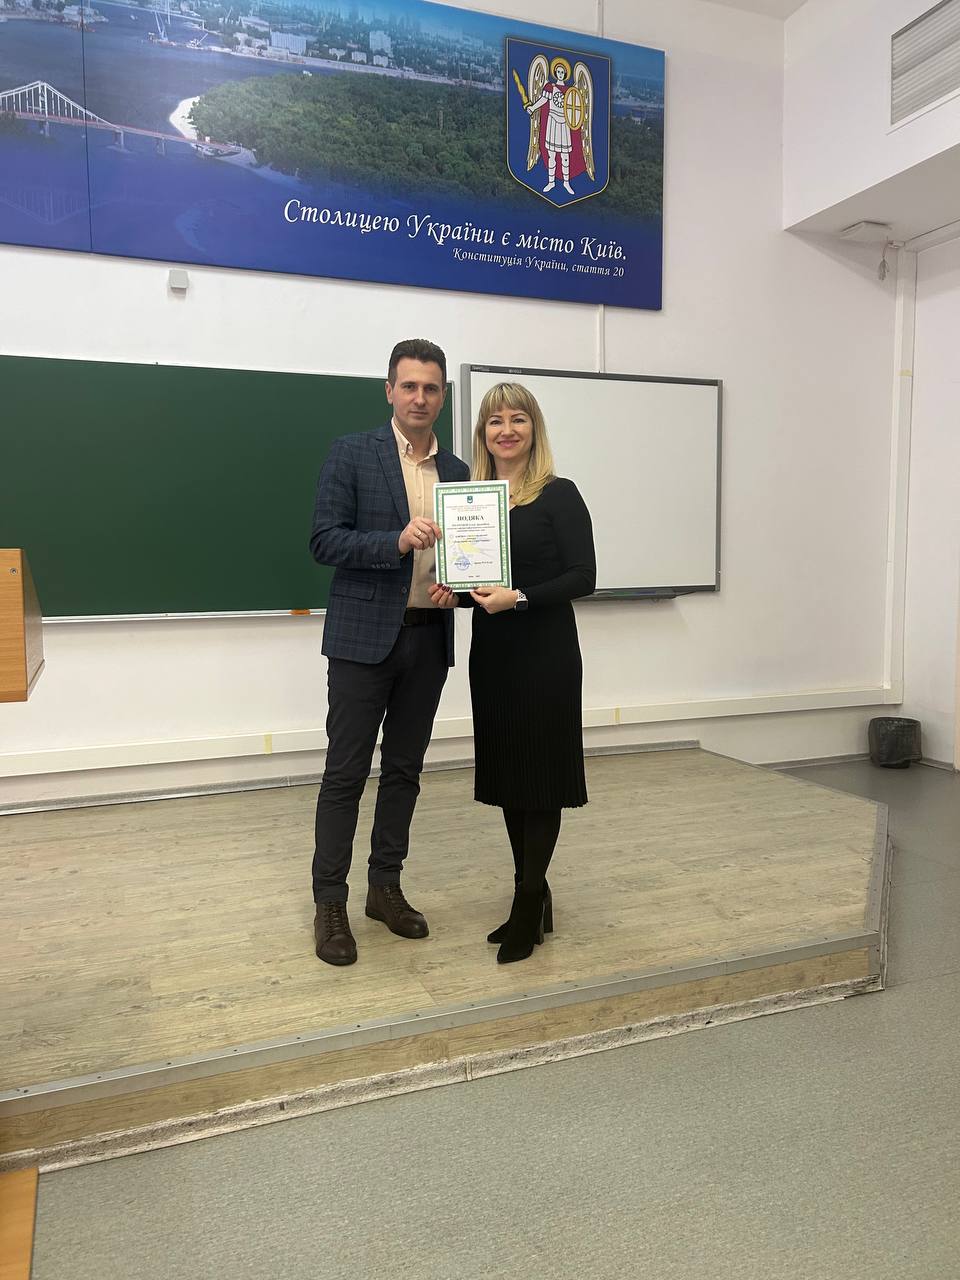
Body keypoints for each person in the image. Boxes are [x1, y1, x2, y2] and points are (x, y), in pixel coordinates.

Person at [309, 339, 469, 966]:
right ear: (389, 391)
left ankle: (385, 888)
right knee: (345, 774)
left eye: (430, 388)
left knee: (404, 772)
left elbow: (466, 557)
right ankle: (330, 903)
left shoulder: (458, 472)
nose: (419, 398)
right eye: (409, 386)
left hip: (428, 638)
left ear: (443, 396)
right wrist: (395, 542)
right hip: (361, 642)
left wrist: (460, 587)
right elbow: (324, 540)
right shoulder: (352, 453)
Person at [430, 383, 596, 963]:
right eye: (495, 421)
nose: (506, 430)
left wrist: (519, 598)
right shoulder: (475, 501)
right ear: (483, 433)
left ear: (534, 428)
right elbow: (482, 586)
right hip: (495, 654)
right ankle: (533, 891)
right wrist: (456, 594)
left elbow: (583, 576)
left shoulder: (559, 494)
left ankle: (528, 903)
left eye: (517, 419)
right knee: (509, 776)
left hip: (545, 654)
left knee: (541, 777)